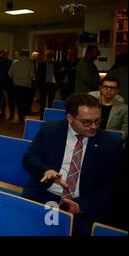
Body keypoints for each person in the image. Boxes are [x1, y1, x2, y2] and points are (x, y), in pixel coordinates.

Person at [22, 93, 123, 236]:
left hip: (85, 203)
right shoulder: (50, 131)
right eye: (87, 122)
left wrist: (82, 206)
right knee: (38, 229)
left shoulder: (110, 144)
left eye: (97, 121)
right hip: (48, 195)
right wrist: (45, 170)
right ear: (70, 118)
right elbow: (29, 158)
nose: (93, 126)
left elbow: (110, 186)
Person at [89, 74, 127, 139]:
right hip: (91, 137)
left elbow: (125, 132)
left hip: (111, 139)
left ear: (117, 90)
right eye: (106, 87)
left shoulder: (124, 108)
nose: (109, 89)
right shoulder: (91, 104)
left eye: (112, 88)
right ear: (100, 88)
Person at [8, 49, 35, 122]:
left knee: (18, 102)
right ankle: (22, 117)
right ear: (28, 54)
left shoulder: (15, 62)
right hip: (26, 85)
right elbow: (32, 75)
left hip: (16, 85)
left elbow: (10, 74)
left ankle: (20, 117)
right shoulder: (30, 63)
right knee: (25, 102)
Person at [36, 50, 60, 119]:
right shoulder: (41, 64)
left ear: (52, 56)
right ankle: (42, 115)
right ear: (45, 56)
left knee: (51, 101)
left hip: (52, 85)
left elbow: (58, 75)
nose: (48, 57)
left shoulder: (55, 64)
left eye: (50, 55)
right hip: (44, 84)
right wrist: (37, 86)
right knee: (42, 101)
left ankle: (49, 116)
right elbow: (38, 75)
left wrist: (57, 84)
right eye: (47, 55)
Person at [0, 49, 14, 119]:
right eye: (3, 53)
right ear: (0, 54)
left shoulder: (10, 62)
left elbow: (11, 73)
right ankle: (2, 113)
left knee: (9, 100)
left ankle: (11, 115)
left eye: (6, 53)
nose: (5, 55)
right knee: (0, 100)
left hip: (8, 84)